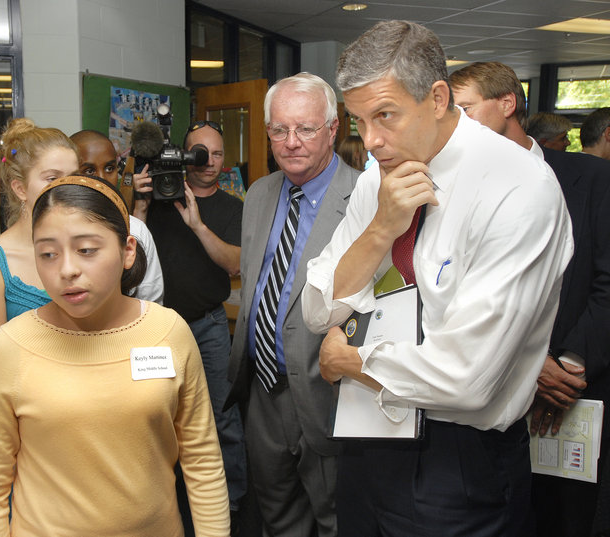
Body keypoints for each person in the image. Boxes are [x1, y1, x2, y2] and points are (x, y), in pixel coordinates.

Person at [301, 21, 573, 536]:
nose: (372, 140)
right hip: (366, 437)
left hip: (458, 463)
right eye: (359, 121)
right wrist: (381, 227)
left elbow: (467, 379)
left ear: (438, 97)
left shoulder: (517, 188)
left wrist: (354, 363)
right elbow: (318, 312)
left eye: (386, 115)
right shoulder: (377, 177)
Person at [0, 175, 229, 537]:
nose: (67, 269)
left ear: (128, 251)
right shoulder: (9, 349)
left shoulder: (169, 333)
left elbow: (202, 458)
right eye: (48, 254)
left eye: (87, 250)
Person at [452, 60, 610, 536]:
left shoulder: (590, 178)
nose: (455, 124)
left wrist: (569, 365)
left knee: (569, 519)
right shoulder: (452, 189)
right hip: (486, 401)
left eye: (464, 109)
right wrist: (527, 362)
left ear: (508, 104)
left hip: (576, 392)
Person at [225, 72, 359, 537]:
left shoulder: (365, 197)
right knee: (276, 514)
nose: (291, 142)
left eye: (305, 128)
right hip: (262, 389)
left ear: (332, 128)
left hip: (328, 392)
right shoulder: (259, 192)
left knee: (334, 517)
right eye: (279, 130)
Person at [132, 119, 247, 519]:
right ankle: (169, 508)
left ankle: (229, 507)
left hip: (208, 326)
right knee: (158, 419)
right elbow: (131, 252)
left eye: (216, 154)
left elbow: (235, 263)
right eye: (199, 153)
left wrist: (196, 224)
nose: (208, 162)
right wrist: (141, 204)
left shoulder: (232, 207)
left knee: (222, 417)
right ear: (183, 155)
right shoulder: (160, 197)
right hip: (156, 328)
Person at [0, 118, 78, 355]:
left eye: (73, 177)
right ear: (20, 189)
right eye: (52, 178)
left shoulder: (86, 246)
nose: (67, 187)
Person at [70, 129, 164, 304]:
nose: (102, 179)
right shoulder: (56, 230)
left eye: (109, 168)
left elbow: (151, 303)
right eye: (89, 171)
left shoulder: (136, 229)